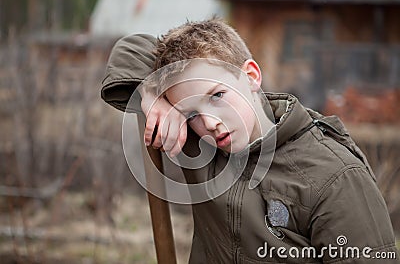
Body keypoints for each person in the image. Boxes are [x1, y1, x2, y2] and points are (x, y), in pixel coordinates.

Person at [102, 19, 398, 263]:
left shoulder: (335, 177)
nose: (209, 122)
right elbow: (129, 49)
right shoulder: (199, 142)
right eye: (191, 112)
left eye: (217, 96)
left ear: (251, 75)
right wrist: (152, 96)